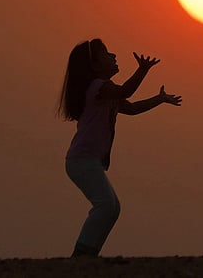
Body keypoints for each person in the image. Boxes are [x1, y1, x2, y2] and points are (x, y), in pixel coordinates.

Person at [58, 39, 182, 257]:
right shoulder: (98, 87)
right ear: (95, 65)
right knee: (106, 205)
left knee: (112, 207)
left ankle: (88, 252)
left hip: (88, 162)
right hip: (82, 161)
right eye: (106, 53)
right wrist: (142, 70)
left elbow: (132, 108)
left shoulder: (106, 93)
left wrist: (159, 99)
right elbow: (126, 91)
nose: (113, 56)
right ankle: (81, 255)